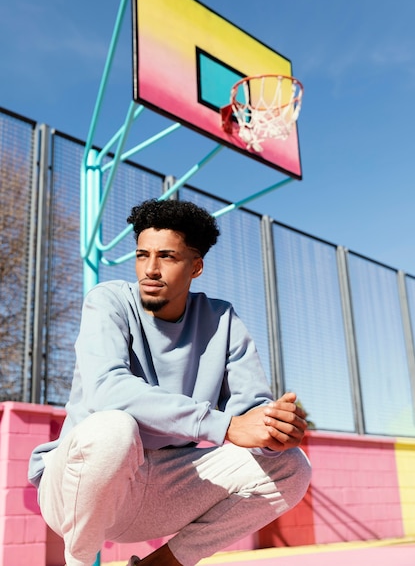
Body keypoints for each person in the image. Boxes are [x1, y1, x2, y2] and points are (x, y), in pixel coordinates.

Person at [28, 198, 311, 566]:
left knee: (292, 466)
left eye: (167, 257)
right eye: (142, 255)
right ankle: (80, 562)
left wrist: (274, 432)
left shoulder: (222, 320)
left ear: (196, 267)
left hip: (162, 489)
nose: (150, 269)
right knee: (113, 428)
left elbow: (250, 416)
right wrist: (222, 425)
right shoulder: (109, 301)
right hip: (77, 488)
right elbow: (106, 390)